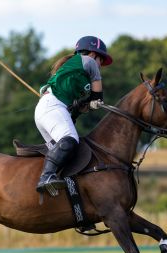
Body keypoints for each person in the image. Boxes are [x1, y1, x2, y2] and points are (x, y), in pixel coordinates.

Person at [35, 35, 113, 194]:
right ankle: (46, 177)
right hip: (52, 107)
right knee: (70, 139)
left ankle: (63, 191)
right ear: (92, 54)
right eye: (101, 60)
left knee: (67, 156)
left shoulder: (76, 71)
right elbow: (97, 95)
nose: (100, 65)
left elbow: (76, 107)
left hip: (48, 109)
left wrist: (81, 106)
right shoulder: (88, 62)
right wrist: (95, 101)